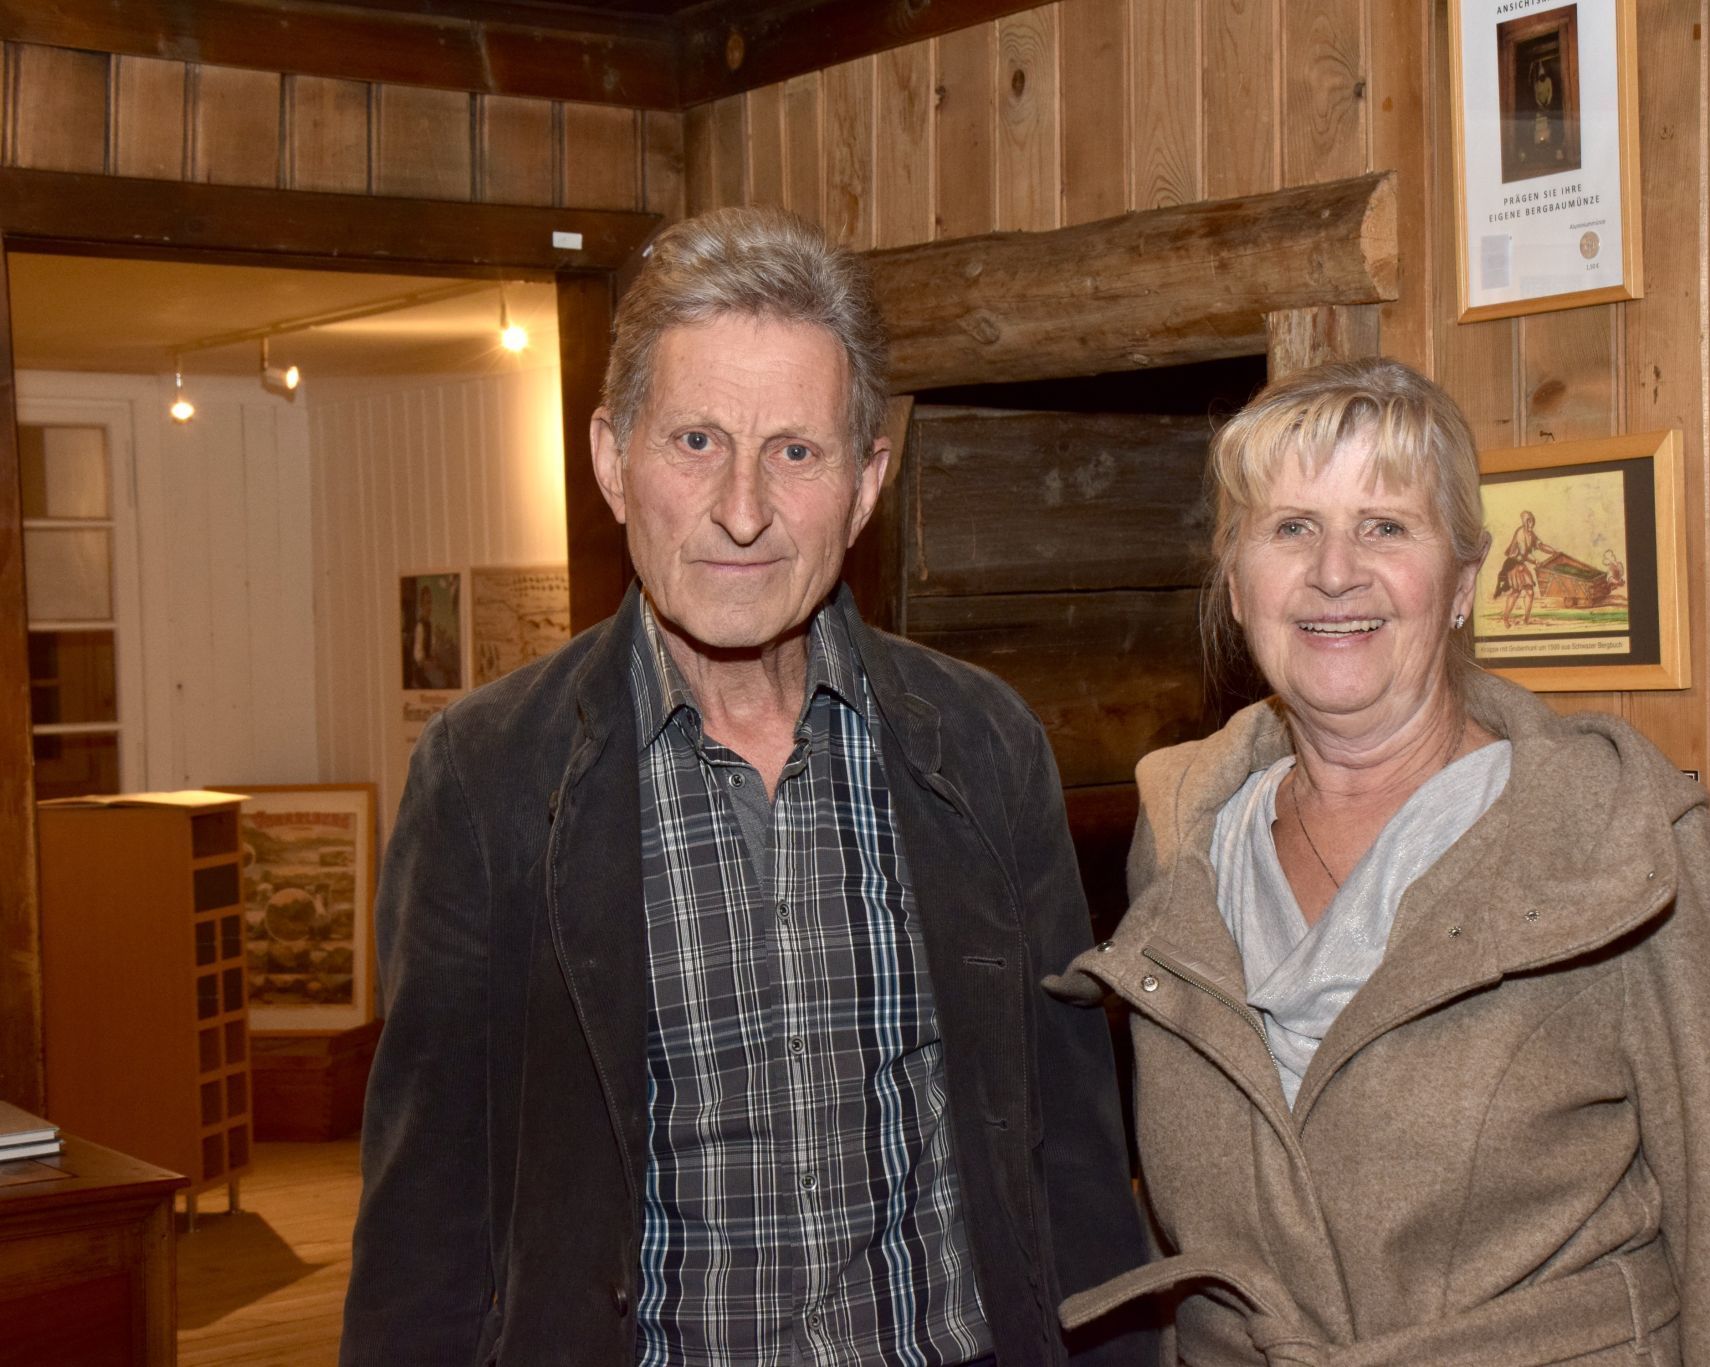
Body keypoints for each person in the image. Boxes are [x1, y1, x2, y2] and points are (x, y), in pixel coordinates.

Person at [343, 208, 1152, 1367]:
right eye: (694, 442)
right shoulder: (489, 776)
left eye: (796, 450)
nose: (740, 509)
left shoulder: (980, 744)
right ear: (612, 458)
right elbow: (426, 1220)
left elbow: (1072, 1157)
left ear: (865, 481)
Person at [1052, 359, 1710, 1365]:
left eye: (1384, 524)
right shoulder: (1181, 836)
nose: (1334, 570)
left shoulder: (1615, 832)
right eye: (1289, 526)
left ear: (1463, 580)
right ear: (1234, 576)